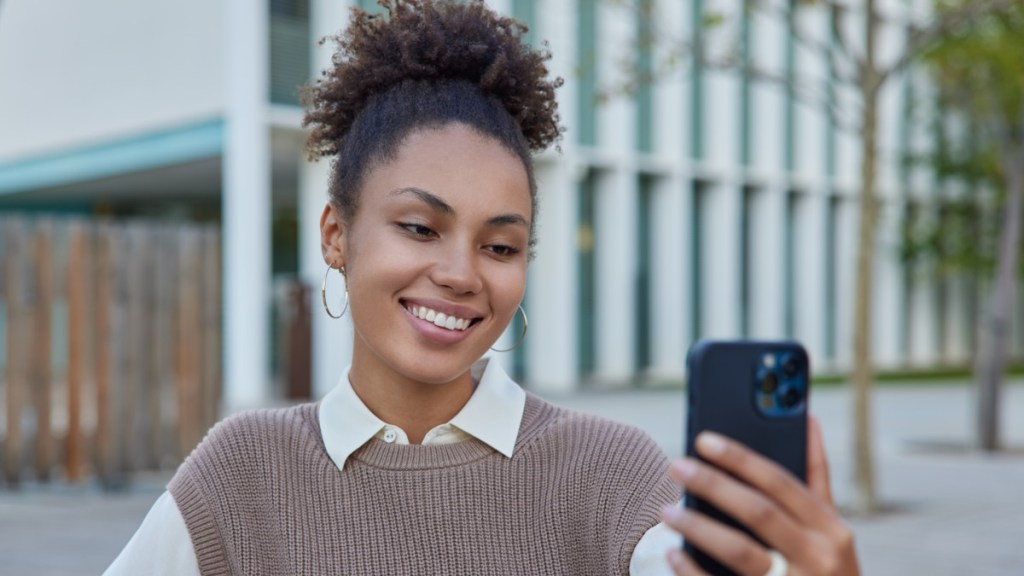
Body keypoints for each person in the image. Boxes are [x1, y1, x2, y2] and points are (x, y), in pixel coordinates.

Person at [105, 1, 860, 574]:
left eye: (500, 244)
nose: (462, 274)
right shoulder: (244, 472)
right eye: (419, 228)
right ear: (336, 235)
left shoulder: (609, 472)